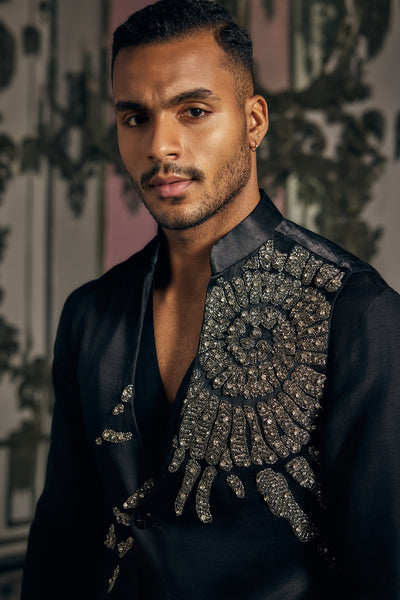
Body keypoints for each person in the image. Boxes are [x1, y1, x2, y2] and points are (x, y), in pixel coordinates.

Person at [21, 1, 400, 598]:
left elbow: (384, 569)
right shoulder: (91, 314)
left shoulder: (355, 312)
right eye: (135, 118)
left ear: (254, 121)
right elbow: (61, 546)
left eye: (193, 111)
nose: (160, 146)